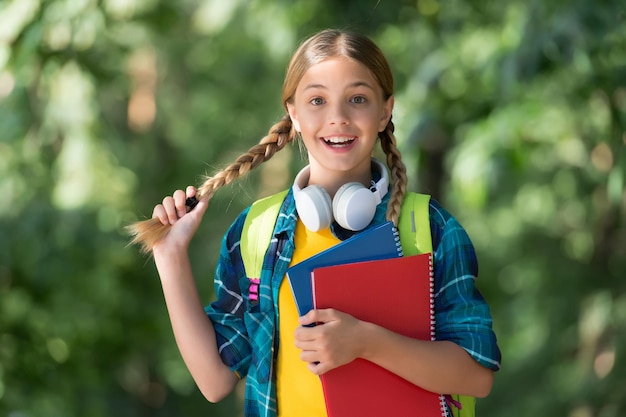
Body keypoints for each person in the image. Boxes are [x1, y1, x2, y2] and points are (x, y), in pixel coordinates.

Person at [128, 29, 501, 417]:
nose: (337, 118)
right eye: (317, 100)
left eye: (357, 99)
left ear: (385, 111)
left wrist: (365, 342)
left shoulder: (431, 227)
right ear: (294, 114)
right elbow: (215, 380)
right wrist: (170, 259)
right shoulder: (256, 232)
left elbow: (476, 374)